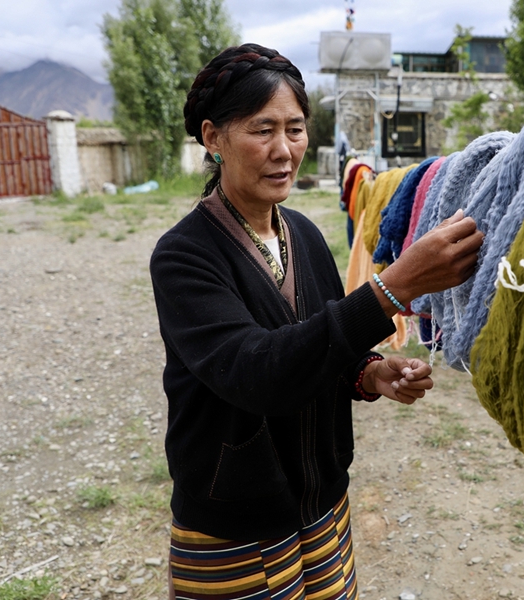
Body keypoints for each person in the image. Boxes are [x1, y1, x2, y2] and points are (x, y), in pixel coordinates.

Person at [150, 43, 483, 600]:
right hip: (234, 524)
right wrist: (394, 287)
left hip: (324, 504)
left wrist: (368, 372)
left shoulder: (301, 233)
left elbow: (320, 342)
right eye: (262, 130)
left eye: (296, 129)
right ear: (213, 138)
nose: (284, 150)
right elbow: (257, 372)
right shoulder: (184, 256)